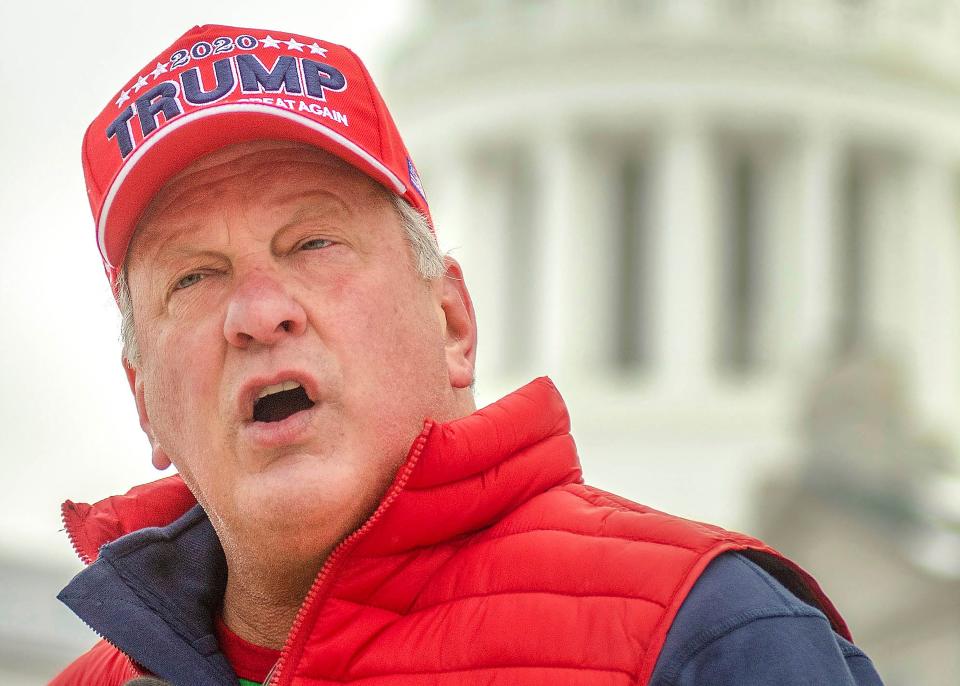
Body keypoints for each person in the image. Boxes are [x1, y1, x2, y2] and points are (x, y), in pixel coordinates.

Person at [53, 24, 884, 686]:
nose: (259, 313)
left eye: (312, 241)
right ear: (144, 403)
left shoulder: (704, 633)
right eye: (194, 277)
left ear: (452, 322)